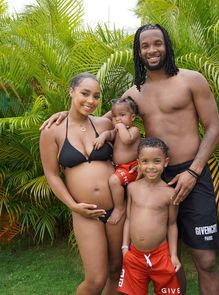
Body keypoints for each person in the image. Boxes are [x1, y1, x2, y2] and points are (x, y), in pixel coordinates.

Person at [40, 23, 219, 295]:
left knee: (206, 260)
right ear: (138, 52)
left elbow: (214, 128)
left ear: (167, 45)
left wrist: (194, 172)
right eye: (144, 46)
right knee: (169, 257)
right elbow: (98, 119)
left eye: (157, 43)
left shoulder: (191, 80)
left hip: (192, 175)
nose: (152, 50)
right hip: (152, 178)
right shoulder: (133, 93)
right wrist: (66, 114)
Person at [39, 72, 125, 295]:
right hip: (86, 212)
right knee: (96, 279)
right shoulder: (52, 131)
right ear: (71, 91)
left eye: (96, 96)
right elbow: (52, 175)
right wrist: (73, 206)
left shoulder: (104, 123)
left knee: (116, 270)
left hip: (117, 209)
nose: (91, 101)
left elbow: (129, 106)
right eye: (85, 93)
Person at [118, 137, 182, 295]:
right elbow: (129, 219)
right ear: (138, 162)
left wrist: (173, 255)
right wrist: (125, 248)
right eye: (145, 161)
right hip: (134, 255)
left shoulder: (170, 193)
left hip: (160, 256)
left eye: (156, 161)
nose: (151, 167)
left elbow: (172, 225)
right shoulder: (132, 188)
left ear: (165, 162)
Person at [93, 96, 141, 225]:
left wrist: (120, 127)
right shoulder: (118, 130)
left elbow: (127, 140)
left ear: (132, 117)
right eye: (114, 116)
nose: (117, 119)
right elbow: (110, 134)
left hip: (132, 166)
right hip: (120, 168)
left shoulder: (133, 130)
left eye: (122, 115)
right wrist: (103, 136)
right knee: (111, 181)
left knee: (114, 181)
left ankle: (119, 208)